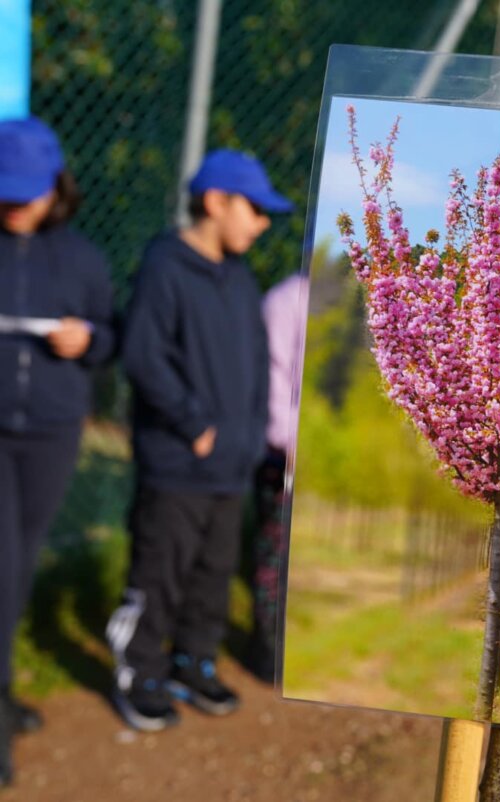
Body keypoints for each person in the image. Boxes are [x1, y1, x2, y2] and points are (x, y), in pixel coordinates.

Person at [106, 150, 292, 731]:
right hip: (179, 463)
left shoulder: (239, 276)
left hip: (233, 464)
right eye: (254, 210)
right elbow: (144, 355)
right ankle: (140, 671)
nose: (262, 224)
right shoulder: (166, 265)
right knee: (162, 572)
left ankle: (194, 662)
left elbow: (258, 363)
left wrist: (250, 433)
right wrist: (196, 426)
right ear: (215, 203)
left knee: (213, 576)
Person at [0, 117, 116, 787]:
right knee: (4, 570)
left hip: (51, 434)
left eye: (27, 192)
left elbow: (111, 337)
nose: (16, 206)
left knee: (17, 568)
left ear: (56, 188)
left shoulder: (82, 260)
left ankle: (4, 696)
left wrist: (89, 342)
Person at [247, 271, 308, 682]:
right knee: (277, 552)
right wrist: (291, 444)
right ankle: (268, 649)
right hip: (284, 454)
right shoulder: (287, 300)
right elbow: (272, 380)